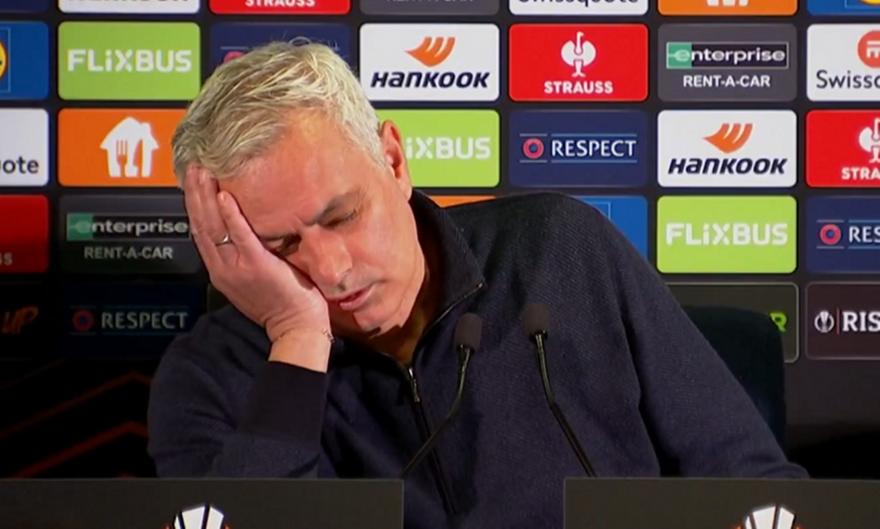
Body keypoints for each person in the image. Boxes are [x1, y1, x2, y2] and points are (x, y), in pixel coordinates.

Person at [147, 41, 807, 528]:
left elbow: (757, 491)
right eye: (281, 247)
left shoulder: (559, 249)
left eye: (342, 216)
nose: (331, 269)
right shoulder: (209, 376)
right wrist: (296, 340)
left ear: (393, 160)